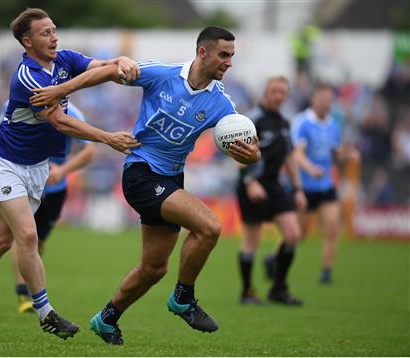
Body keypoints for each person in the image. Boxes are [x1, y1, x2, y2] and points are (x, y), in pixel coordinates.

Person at [30, 26, 261, 345]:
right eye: (224, 55)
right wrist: (61, 90)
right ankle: (184, 298)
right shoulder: (161, 74)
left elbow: (246, 146)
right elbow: (111, 72)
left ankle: (106, 319)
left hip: (170, 179)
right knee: (209, 227)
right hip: (140, 172)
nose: (229, 62)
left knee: (153, 268)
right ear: (202, 52)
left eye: (232, 56)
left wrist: (252, 154)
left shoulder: (222, 105)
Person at [0, 8, 140, 339]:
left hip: (36, 167)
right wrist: (107, 137)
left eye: (54, 30)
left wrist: (122, 60)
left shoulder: (65, 59)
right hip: (5, 163)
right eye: (45, 33)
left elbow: (100, 67)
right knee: (28, 236)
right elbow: (59, 121)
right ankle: (45, 312)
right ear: (27, 42)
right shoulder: (27, 77)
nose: (54, 36)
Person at [13, 102, 96, 313]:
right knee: (23, 237)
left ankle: (32, 290)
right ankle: (23, 292)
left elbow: (89, 151)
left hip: (54, 188)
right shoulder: (17, 103)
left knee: (37, 241)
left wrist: (63, 170)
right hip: (24, 184)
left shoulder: (74, 113)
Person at [235, 76, 306, 306]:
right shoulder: (252, 120)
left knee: (293, 234)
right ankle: (247, 292)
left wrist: (297, 189)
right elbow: (237, 154)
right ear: (265, 93)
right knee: (251, 240)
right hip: (252, 183)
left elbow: (289, 158)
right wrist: (249, 182)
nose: (278, 95)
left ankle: (279, 289)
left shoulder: (285, 123)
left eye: (282, 91)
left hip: (275, 186)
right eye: (274, 90)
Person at [291, 84, 359, 284]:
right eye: (322, 99)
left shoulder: (333, 126)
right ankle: (275, 258)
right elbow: (297, 153)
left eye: (329, 100)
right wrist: (310, 168)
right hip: (305, 187)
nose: (326, 103)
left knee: (332, 228)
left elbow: (336, 153)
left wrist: (348, 153)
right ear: (314, 99)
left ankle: (326, 272)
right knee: (299, 234)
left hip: (327, 185)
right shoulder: (303, 122)